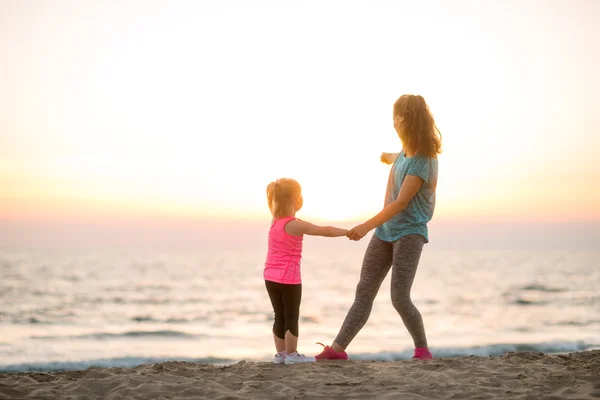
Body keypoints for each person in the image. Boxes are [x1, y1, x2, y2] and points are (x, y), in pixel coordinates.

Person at [315, 94, 442, 361]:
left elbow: (400, 203)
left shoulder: (424, 160)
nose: (393, 122)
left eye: (396, 117)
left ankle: (422, 350)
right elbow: (403, 156)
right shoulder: (407, 152)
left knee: (399, 297)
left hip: (409, 233)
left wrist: (364, 227)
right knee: (364, 292)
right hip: (385, 231)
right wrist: (389, 156)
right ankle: (337, 351)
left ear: (406, 119)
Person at [264, 178, 348, 365]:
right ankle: (292, 356)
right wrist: (347, 232)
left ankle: (282, 354)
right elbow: (324, 230)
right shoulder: (295, 224)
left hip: (270, 276)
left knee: (279, 315)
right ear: (295, 198)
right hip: (289, 279)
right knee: (292, 316)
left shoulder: (275, 221)